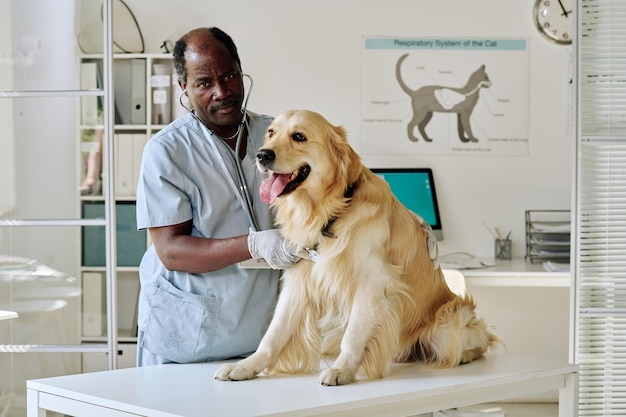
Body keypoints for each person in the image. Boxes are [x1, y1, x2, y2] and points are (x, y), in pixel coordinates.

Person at [135, 26, 439, 366]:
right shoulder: (166, 152)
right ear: (184, 88)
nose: (221, 91)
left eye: (229, 75)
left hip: (263, 333)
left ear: (240, 70)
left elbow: (346, 178)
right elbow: (171, 252)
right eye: (204, 83)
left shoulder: (276, 132)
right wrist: (254, 245)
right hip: (190, 334)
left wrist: (405, 221)